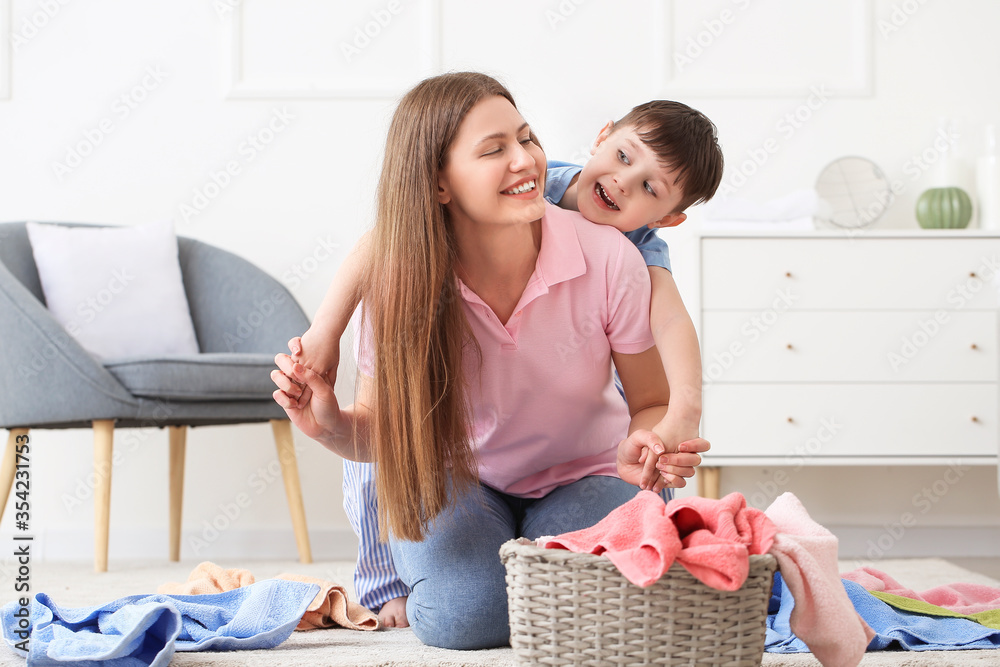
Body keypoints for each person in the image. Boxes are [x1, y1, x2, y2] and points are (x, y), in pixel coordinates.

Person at [272, 71, 709, 650]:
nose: (525, 160)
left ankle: (543, 541)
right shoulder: (403, 277)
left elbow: (655, 387)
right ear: (438, 184)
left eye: (527, 139)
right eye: (494, 149)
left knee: (616, 607)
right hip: (458, 477)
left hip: (583, 472)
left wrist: (658, 432)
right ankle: (384, 578)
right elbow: (382, 436)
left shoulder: (623, 253)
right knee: (463, 618)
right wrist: (329, 421)